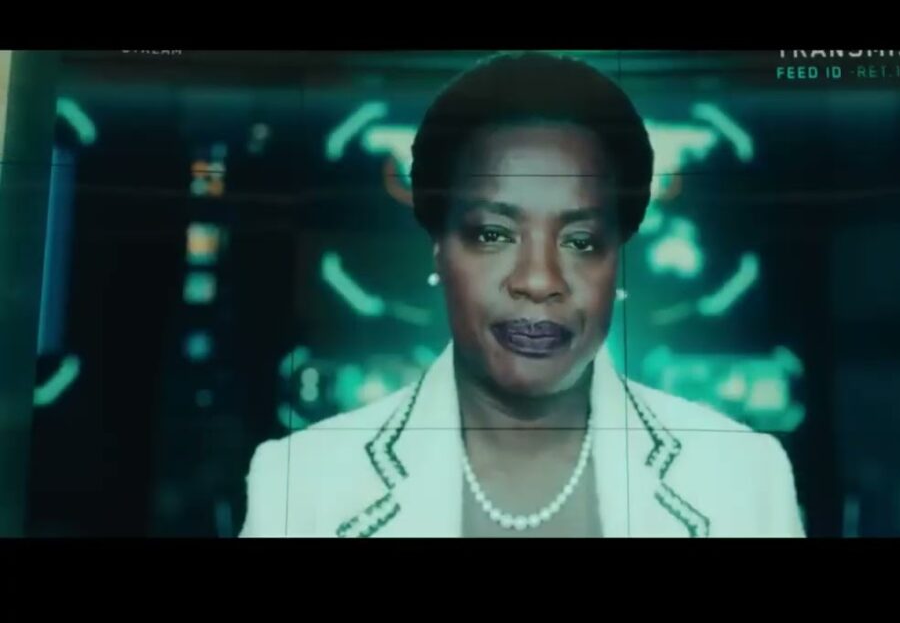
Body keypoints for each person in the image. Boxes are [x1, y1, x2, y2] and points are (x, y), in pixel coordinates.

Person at [239, 52, 805, 538]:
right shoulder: (300, 482)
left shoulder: (744, 477)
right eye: (493, 234)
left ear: (618, 259)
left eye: (581, 241)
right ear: (438, 249)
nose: (538, 279)